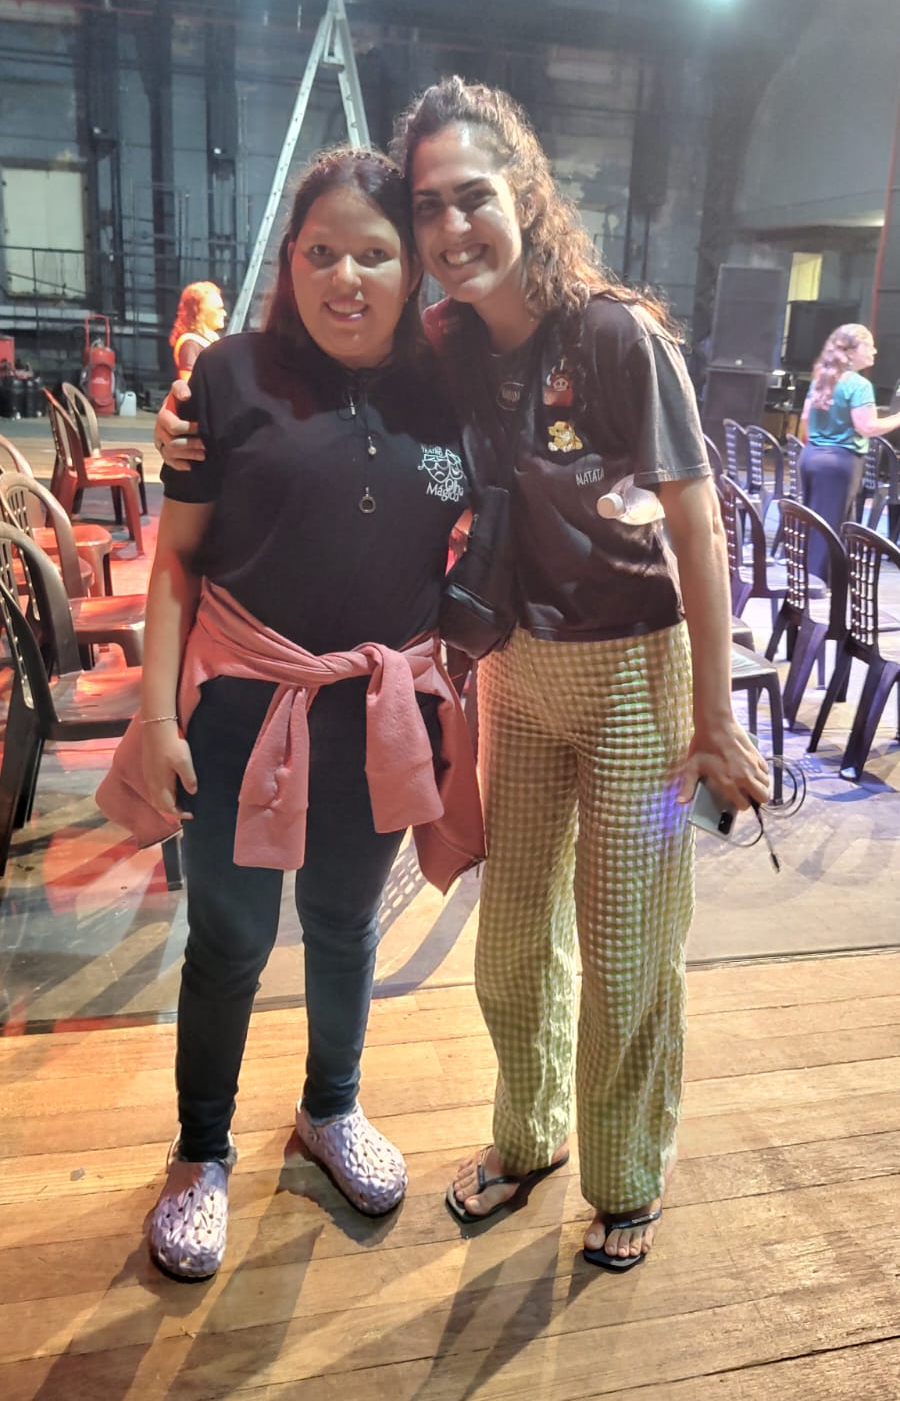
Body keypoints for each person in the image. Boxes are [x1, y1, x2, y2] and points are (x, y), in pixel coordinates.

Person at [158, 78, 769, 1274]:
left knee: (627, 947)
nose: (449, 228)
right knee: (510, 940)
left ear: (527, 191)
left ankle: (626, 1176)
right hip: (516, 671)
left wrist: (717, 711)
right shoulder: (447, 345)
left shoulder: (615, 336)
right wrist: (196, 413)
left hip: (636, 676)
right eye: (429, 205)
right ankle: (528, 1136)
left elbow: (700, 524)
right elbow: (298, 381)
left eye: (471, 197)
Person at [101, 149, 483, 1282]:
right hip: (239, 709)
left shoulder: (451, 387)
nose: (346, 276)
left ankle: (331, 1107)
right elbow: (176, 561)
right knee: (227, 939)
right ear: (290, 262)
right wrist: (156, 721)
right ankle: (200, 1151)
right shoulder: (227, 379)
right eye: (322, 252)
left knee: (346, 926)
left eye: (375, 252)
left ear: (413, 269)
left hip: (378, 714)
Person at [799, 323, 900, 578]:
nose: (875, 351)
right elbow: (867, 427)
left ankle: (826, 580)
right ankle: (816, 585)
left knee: (818, 523)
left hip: (811, 456)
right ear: (852, 351)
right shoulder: (859, 384)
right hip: (838, 463)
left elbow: (805, 420)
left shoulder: (822, 377)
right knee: (829, 528)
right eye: (870, 345)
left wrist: (821, 443)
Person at [169, 281, 226, 382]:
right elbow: (189, 386)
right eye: (219, 309)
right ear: (200, 312)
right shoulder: (190, 344)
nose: (224, 313)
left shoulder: (211, 340)